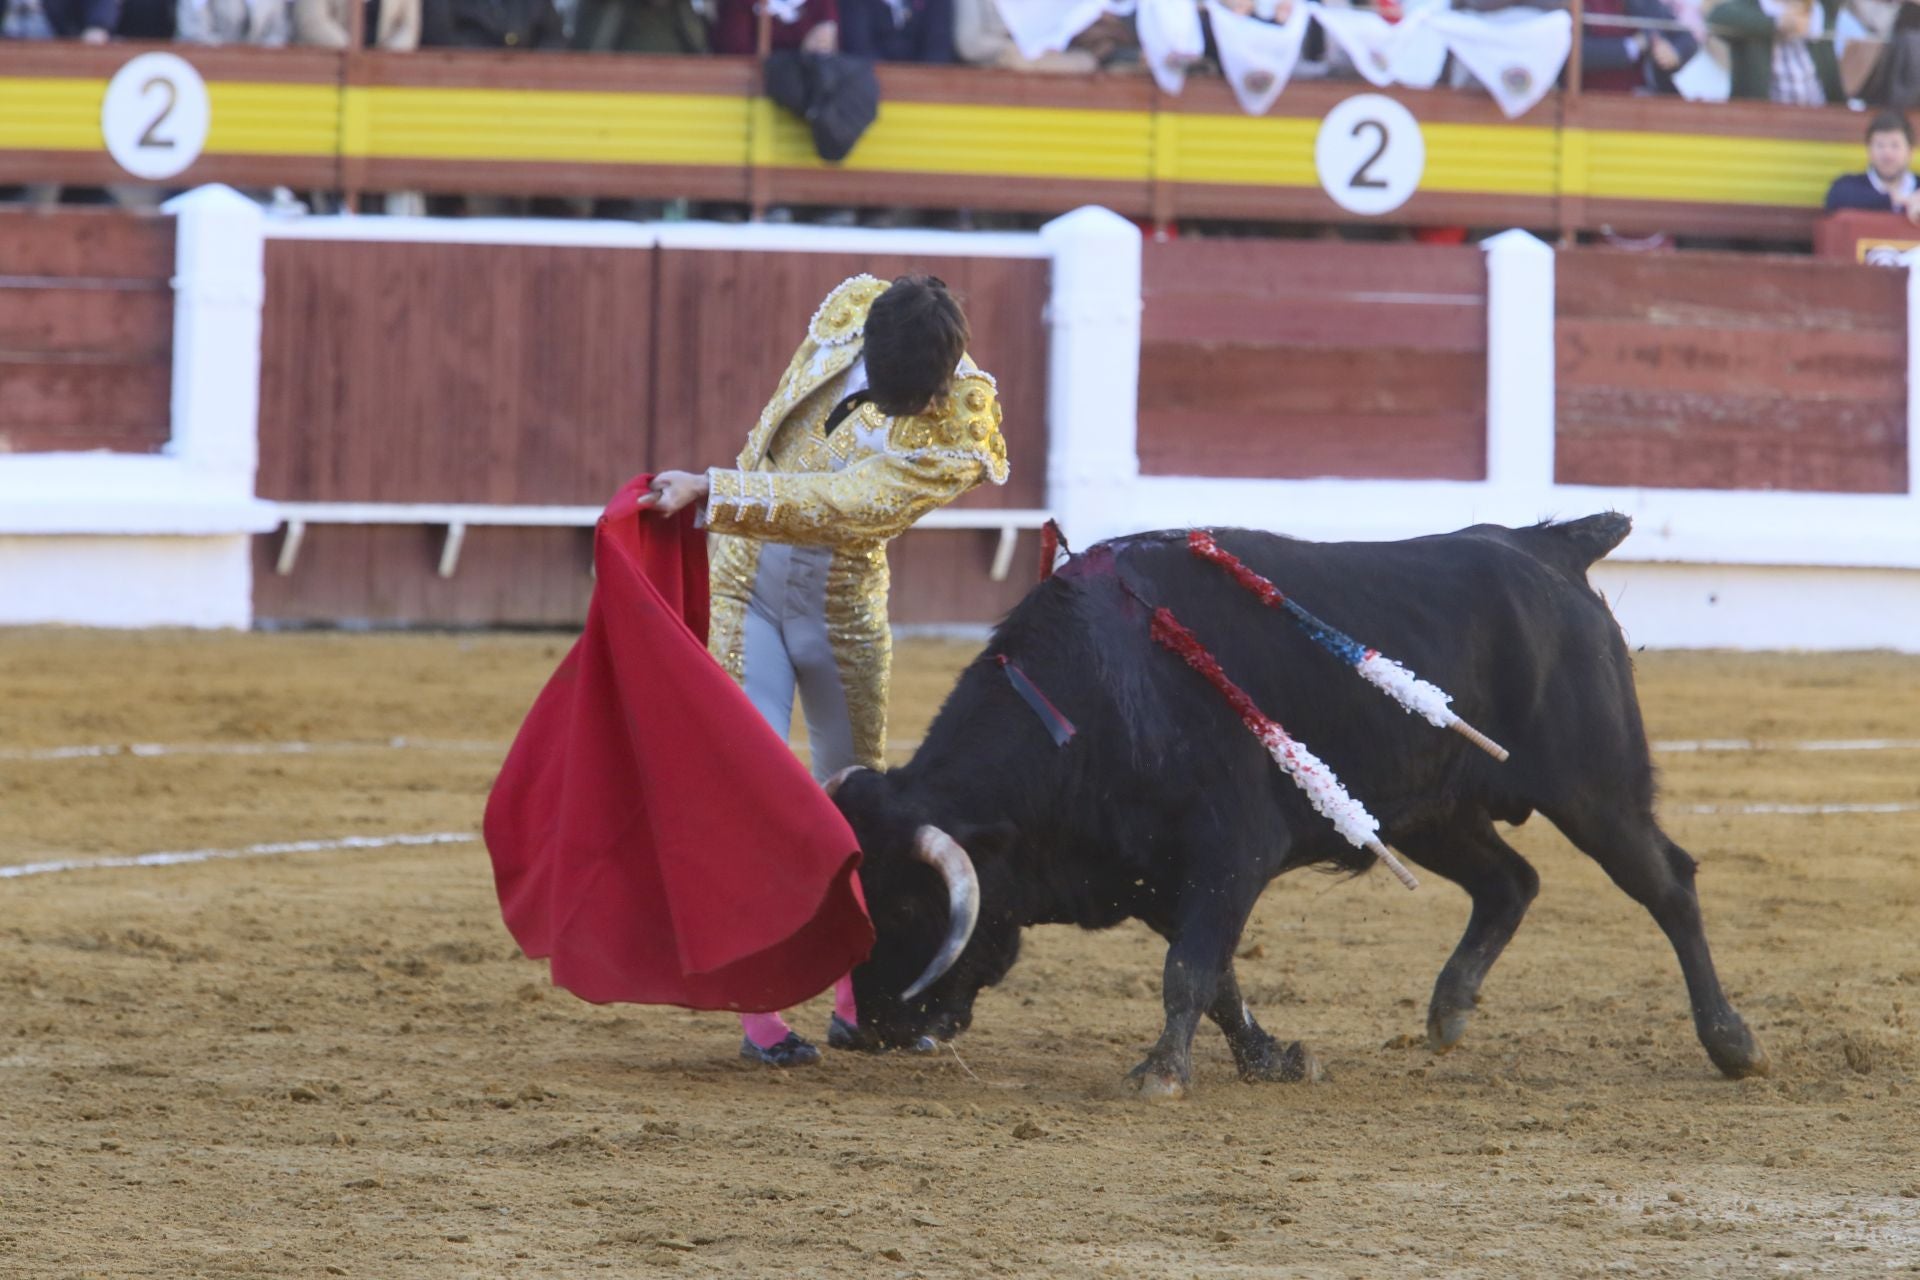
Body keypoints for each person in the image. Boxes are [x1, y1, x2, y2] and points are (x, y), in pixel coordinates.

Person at [644, 273, 1008, 1067]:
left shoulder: (965, 422)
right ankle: (762, 1008)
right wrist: (722, 494)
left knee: (859, 812)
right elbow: (781, 440)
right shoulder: (851, 311)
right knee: (760, 801)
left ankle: (855, 998)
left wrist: (715, 488)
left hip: (840, 614)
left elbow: (850, 504)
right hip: (745, 591)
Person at [1709, 0, 1842, 103]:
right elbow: (1716, 18)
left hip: (1819, 115)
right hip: (1765, 117)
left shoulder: (1820, 9)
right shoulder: (1751, 6)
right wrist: (1777, 24)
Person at [1825, 109, 1920, 218]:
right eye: (1880, 145)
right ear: (1869, 150)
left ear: (1910, 151)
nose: (1887, 154)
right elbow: (1836, 200)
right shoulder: (1848, 186)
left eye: (1895, 145)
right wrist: (1894, 200)